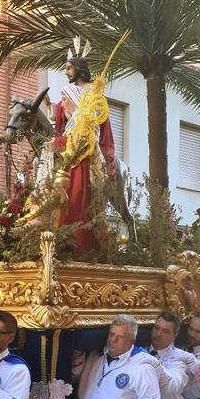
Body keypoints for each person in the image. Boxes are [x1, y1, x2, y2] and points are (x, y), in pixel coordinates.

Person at [53, 55, 116, 252]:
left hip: (84, 154)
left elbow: (88, 132)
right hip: (71, 155)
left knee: (78, 198)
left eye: (69, 68)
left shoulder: (90, 96)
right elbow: (64, 129)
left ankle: (80, 243)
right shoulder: (72, 114)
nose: (66, 72)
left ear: (79, 69)